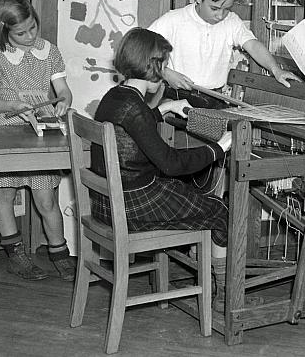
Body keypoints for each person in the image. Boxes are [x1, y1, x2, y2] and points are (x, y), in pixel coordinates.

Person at [90, 27, 232, 309]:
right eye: (164, 64)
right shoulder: (136, 108)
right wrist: (219, 147)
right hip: (134, 205)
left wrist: (164, 109)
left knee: (188, 194)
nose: (166, 70)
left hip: (105, 203)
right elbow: (171, 163)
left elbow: (131, 129)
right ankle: (225, 295)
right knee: (218, 210)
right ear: (152, 66)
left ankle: (198, 261)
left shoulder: (115, 97)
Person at [0, 0, 75, 281]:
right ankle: (15, 254)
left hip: (39, 132)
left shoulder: (50, 51)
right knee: (5, 193)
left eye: (33, 27)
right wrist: (12, 106)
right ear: (5, 30)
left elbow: (63, 90)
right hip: (5, 131)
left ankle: (59, 252)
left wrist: (63, 101)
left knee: (46, 196)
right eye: (21, 33)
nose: (30, 35)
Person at [149, 0, 300, 92]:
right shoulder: (174, 20)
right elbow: (139, 49)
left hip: (215, 97)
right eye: (214, 9)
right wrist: (166, 73)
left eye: (227, 9)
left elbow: (253, 45)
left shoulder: (231, 22)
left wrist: (276, 70)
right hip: (179, 94)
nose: (220, 15)